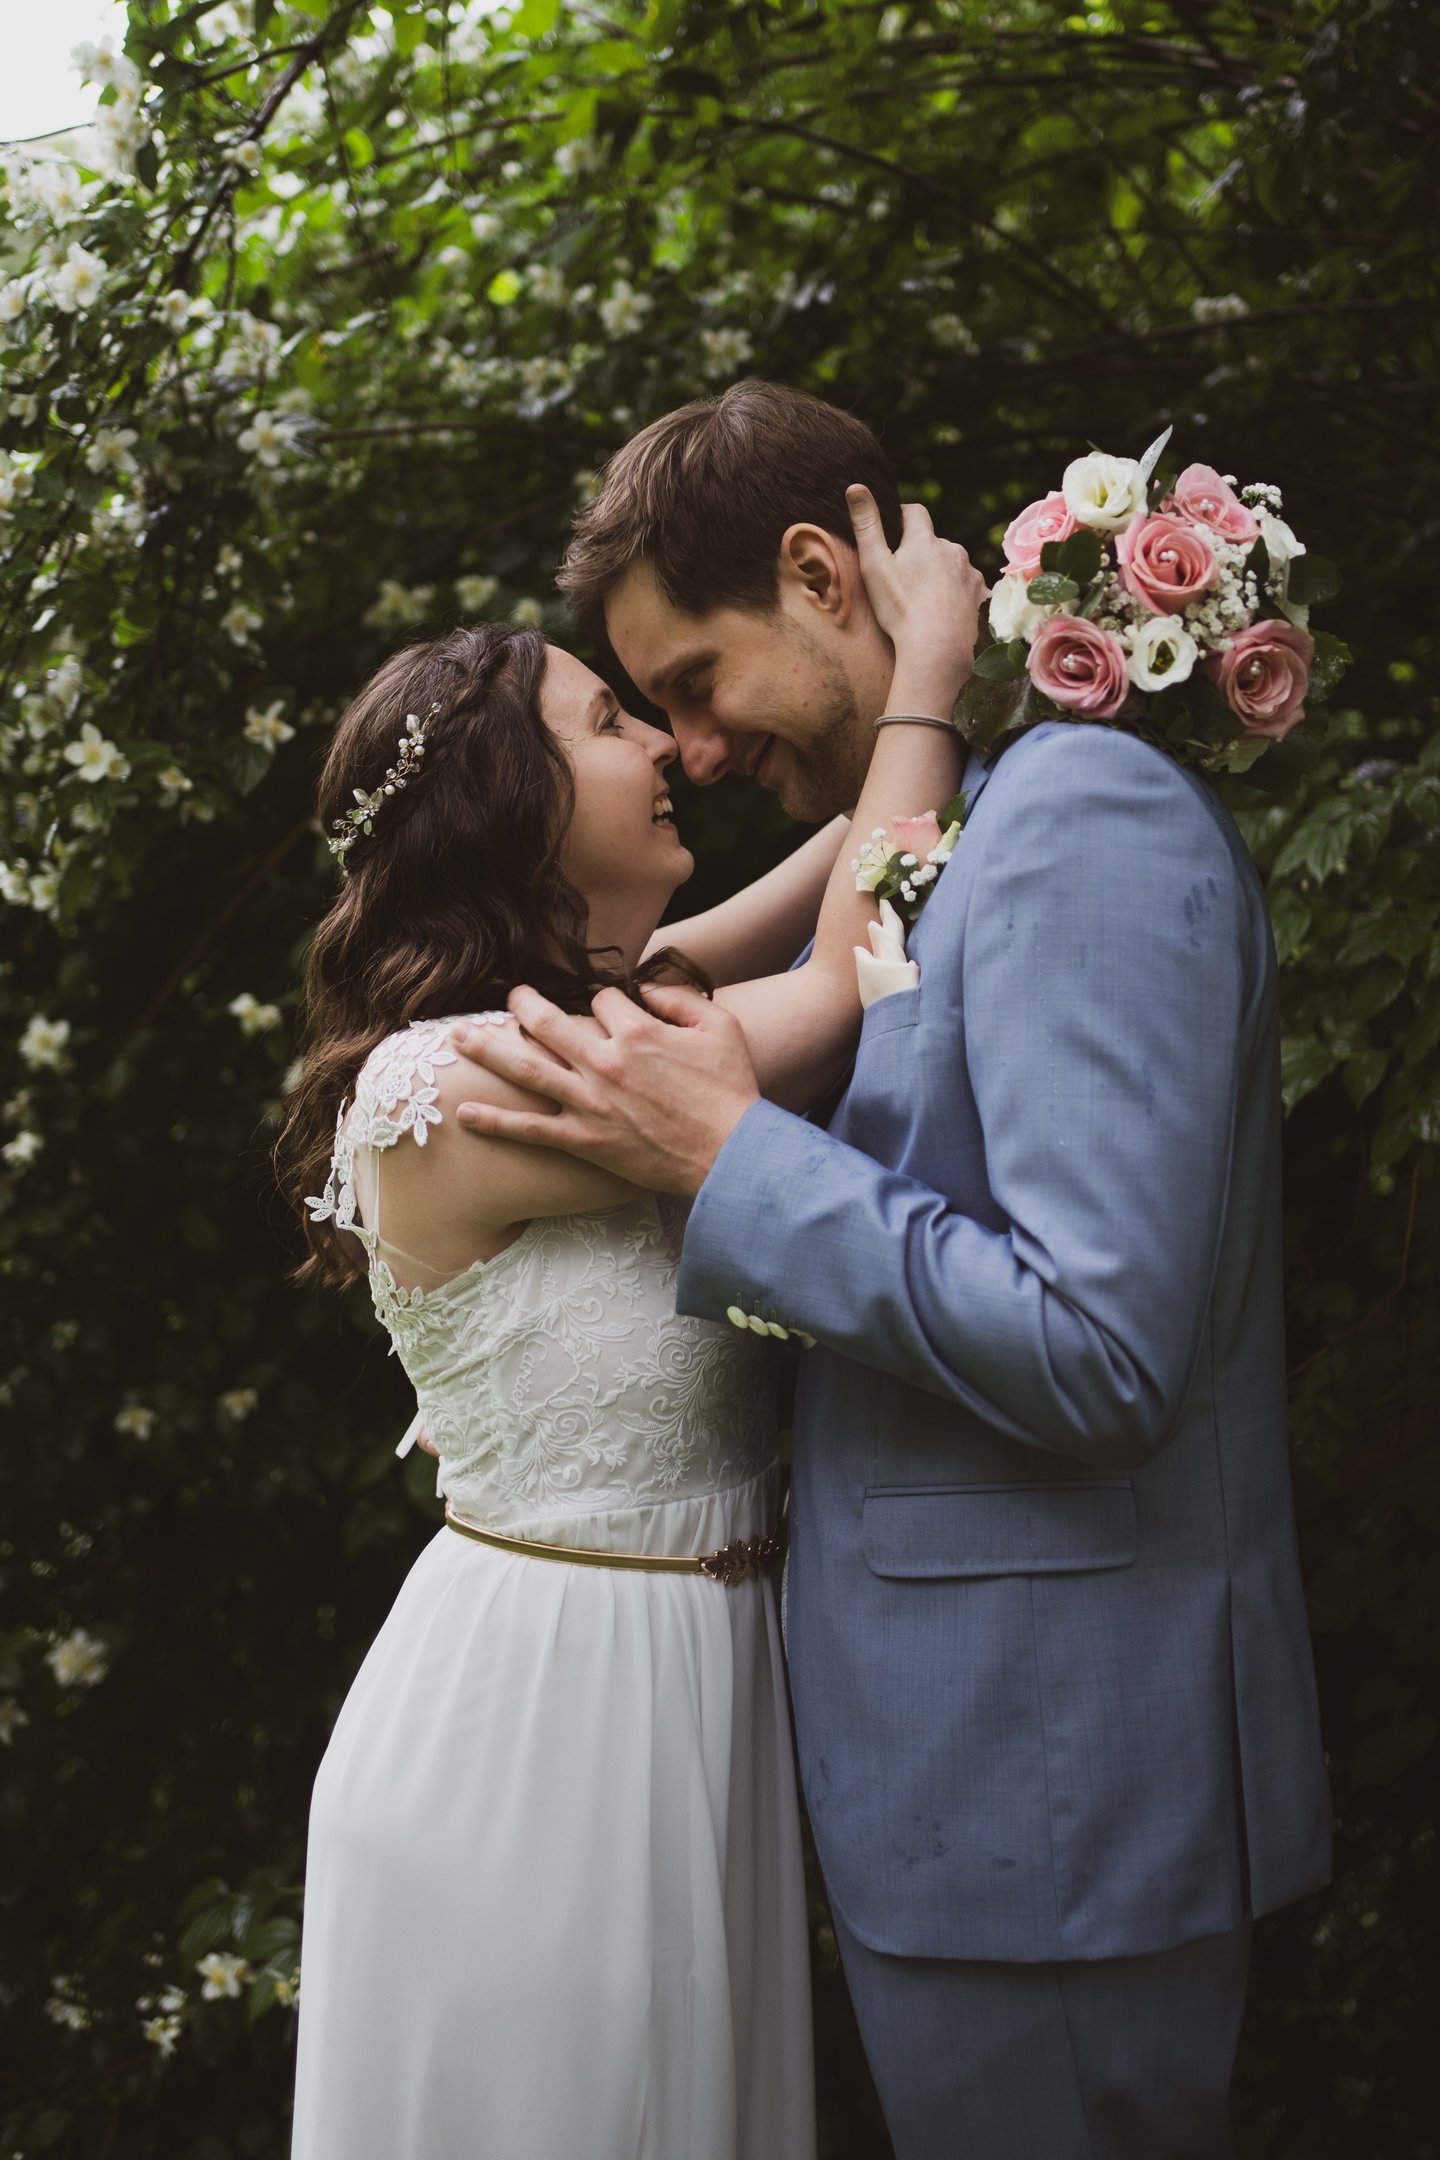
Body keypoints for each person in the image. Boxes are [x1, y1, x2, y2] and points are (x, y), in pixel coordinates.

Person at [447, 379, 1334, 2160]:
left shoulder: (1082, 825)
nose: (686, 748)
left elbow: (1102, 1345)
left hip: (1068, 1823)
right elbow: (861, 913)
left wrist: (730, 1165)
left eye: (692, 682)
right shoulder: (958, 849)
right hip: (978, 1819)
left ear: (813, 573)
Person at [279, 480, 986, 2159]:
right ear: (518, 807)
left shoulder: (616, 1006)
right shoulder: (458, 1081)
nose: (670, 744)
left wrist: (937, 677)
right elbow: (845, 983)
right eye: (614, 721)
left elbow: (848, 857)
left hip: (695, 1692)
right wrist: (935, 689)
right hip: (539, 1736)